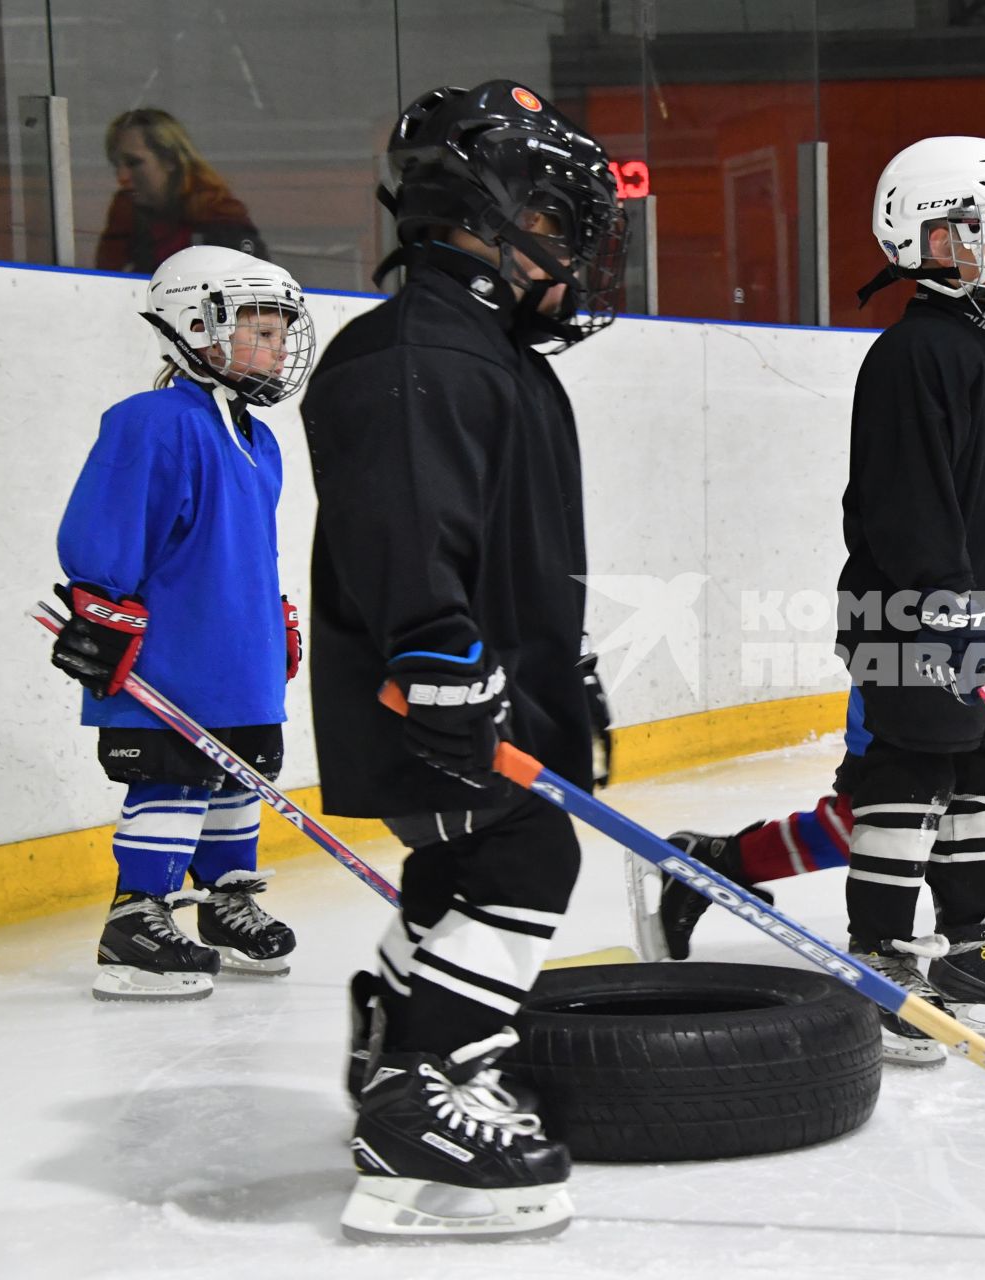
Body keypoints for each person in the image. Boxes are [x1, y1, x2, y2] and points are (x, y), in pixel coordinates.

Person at [299, 79, 626, 1244]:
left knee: (456, 881)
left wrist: (562, 670)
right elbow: (406, 529)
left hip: (489, 688)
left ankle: (400, 1025)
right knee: (527, 857)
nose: (577, 248)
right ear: (486, 208)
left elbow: (518, 546)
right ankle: (414, 1109)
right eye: (559, 216)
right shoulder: (409, 351)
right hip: (429, 694)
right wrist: (440, 657)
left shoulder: (493, 353)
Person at [650, 425, 985, 1058]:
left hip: (984, 732)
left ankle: (984, 909)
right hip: (913, 703)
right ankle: (715, 864)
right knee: (874, 822)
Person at [831, 134, 985, 1061]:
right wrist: (945, 602)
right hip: (913, 614)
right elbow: (903, 499)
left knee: (978, 771)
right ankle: (880, 956)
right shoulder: (912, 357)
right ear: (934, 241)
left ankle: (968, 941)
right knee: (913, 767)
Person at [51, 245, 314, 1002]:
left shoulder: (258, 439)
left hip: (240, 659)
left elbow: (241, 548)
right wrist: (98, 610)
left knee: (237, 783)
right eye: (258, 331)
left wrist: (272, 616)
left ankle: (224, 903)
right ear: (196, 325)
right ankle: (137, 919)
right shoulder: (152, 422)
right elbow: (104, 532)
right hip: (170, 658)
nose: (275, 347)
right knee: (174, 785)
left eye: (278, 331)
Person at [95, 109, 266, 274]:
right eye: (116, 166)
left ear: (170, 160)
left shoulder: (220, 219)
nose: (121, 177)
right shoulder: (125, 221)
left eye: (134, 163)